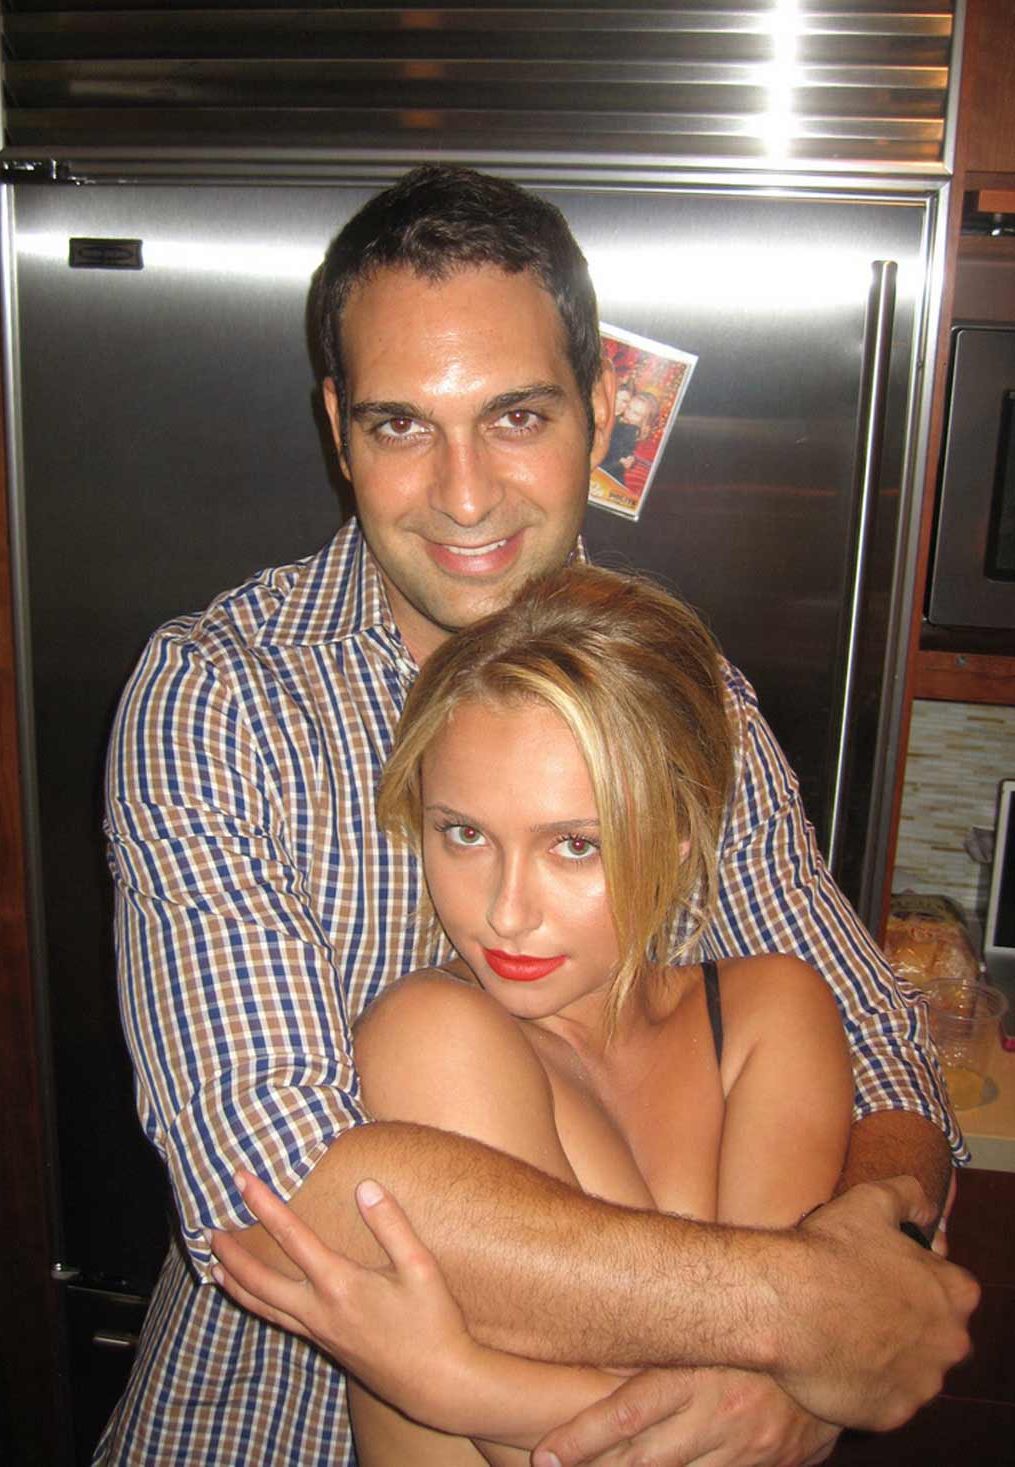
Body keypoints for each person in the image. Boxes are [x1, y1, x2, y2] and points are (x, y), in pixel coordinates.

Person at [96, 164, 975, 1467]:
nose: (463, 494)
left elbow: (878, 1049)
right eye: (400, 425)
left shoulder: (687, 700)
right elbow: (277, 1185)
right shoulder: (223, 697)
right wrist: (802, 1318)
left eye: (515, 415)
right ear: (337, 427)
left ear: (601, 410)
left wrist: (856, 1267)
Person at [211, 562, 858, 1466]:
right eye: (464, 833)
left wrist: (454, 1381)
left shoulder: (770, 1015)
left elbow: (785, 1372)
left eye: (575, 845)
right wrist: (799, 1395)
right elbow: (749, 1412)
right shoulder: (433, 1037)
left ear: (677, 837)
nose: (506, 912)